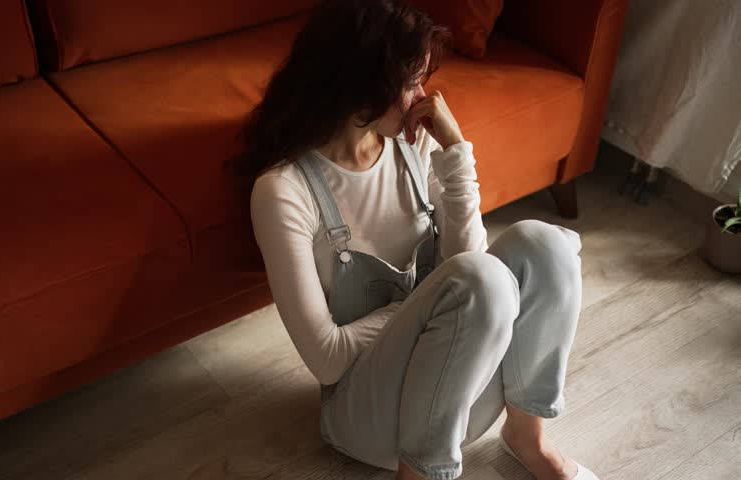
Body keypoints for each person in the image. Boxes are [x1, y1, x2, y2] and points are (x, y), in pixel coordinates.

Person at [224, 1, 593, 479]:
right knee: (475, 280)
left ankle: (528, 437)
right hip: (366, 419)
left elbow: (472, 273)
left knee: (545, 246)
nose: (424, 96)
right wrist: (432, 309)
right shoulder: (284, 191)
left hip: (454, 398)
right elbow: (326, 358)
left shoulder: (413, 142)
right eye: (410, 81)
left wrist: (456, 152)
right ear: (359, 85)